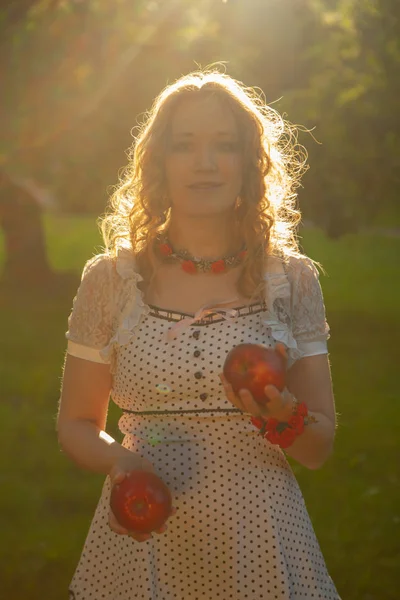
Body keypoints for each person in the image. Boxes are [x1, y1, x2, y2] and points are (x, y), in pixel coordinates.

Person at [57, 68, 341, 600]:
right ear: (160, 162)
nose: (205, 164)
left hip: (260, 540)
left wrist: (282, 418)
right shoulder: (112, 280)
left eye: (225, 146)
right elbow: (75, 423)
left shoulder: (291, 280)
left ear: (250, 163)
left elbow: (319, 446)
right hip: (141, 542)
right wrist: (122, 462)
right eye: (185, 146)